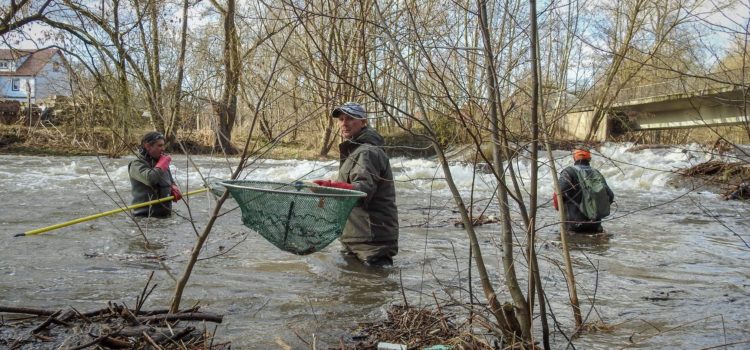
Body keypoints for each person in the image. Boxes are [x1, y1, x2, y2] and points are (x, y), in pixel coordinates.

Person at [313, 102, 399, 266]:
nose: (344, 123)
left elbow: (361, 193)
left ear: (363, 121)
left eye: (350, 118)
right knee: (356, 287)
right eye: (341, 119)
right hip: (356, 237)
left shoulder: (367, 152)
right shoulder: (354, 151)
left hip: (371, 240)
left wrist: (330, 187)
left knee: (374, 288)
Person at [555, 148, 614, 233]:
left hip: (573, 225)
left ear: (574, 158)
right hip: (595, 225)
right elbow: (610, 196)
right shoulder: (596, 173)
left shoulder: (568, 172)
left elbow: (558, 193)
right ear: (589, 159)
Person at [129, 131, 182, 218]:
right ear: (148, 146)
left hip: (165, 217)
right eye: (160, 145)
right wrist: (162, 165)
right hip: (144, 218)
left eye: (163, 145)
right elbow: (151, 179)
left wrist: (173, 187)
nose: (163, 148)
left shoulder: (162, 163)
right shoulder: (136, 164)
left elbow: (170, 181)